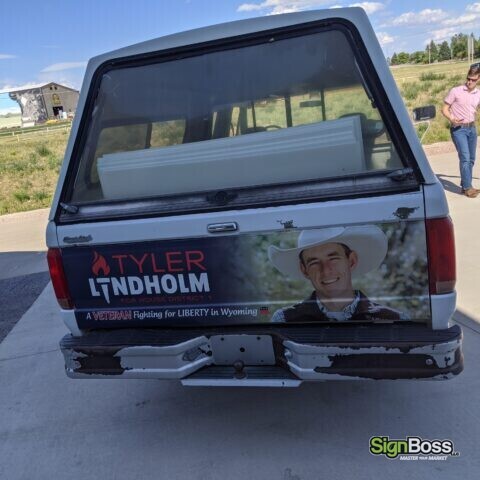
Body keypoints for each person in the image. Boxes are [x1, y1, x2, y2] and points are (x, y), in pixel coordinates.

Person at [268, 226, 407, 323]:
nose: (326, 270)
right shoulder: (285, 320)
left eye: (333, 259)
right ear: (304, 270)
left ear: (351, 261)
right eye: (314, 262)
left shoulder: (395, 319)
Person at [442, 64, 480, 198]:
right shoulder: (456, 91)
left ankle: (466, 183)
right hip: (458, 129)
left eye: (473, 80)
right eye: (468, 78)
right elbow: (444, 109)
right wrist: (452, 119)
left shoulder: (478, 93)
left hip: (472, 129)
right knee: (465, 157)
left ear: (478, 79)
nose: (470, 82)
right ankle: (468, 187)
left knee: (471, 159)